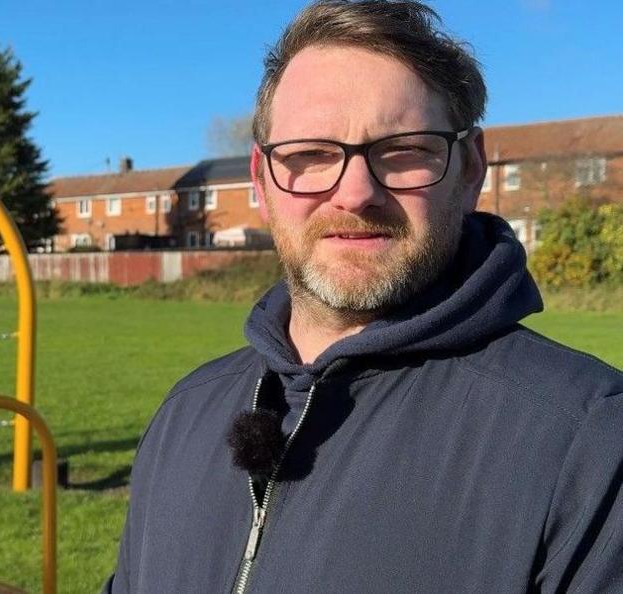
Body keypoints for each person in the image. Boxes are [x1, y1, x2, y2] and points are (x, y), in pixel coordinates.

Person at [107, 1, 623, 592]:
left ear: (471, 169)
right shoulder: (185, 413)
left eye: (405, 150)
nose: (355, 192)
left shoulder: (591, 442)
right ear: (261, 179)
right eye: (309, 154)